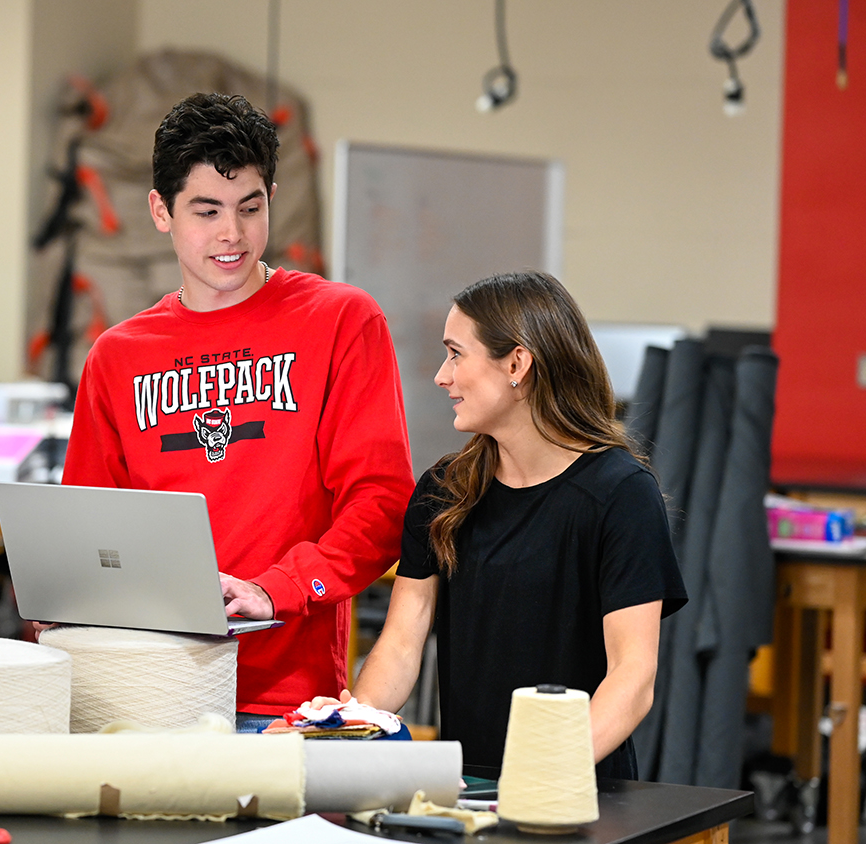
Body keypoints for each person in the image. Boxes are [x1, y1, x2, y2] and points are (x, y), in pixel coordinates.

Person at [60, 93, 415, 729]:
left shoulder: (340, 321)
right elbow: (88, 531)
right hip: (143, 692)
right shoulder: (115, 357)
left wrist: (276, 588)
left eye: (251, 208)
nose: (232, 234)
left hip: (283, 702)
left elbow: (382, 503)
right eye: (207, 211)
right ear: (160, 211)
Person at [350, 270, 687, 779]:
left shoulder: (620, 495)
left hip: (580, 794)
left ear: (516, 363)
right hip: (469, 792)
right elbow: (400, 644)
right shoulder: (445, 490)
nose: (442, 376)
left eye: (456, 354)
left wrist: (545, 774)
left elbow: (633, 676)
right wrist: (349, 727)